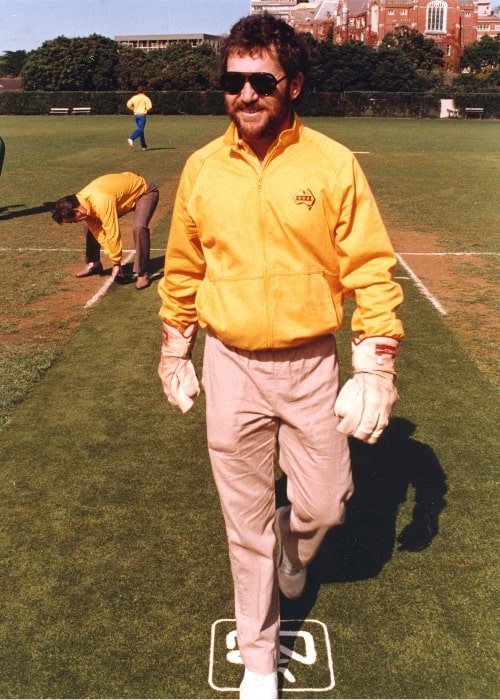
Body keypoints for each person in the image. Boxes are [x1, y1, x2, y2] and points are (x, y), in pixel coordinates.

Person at [157, 14, 404, 699]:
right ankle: (259, 659)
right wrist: (175, 351)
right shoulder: (203, 169)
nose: (245, 95)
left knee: (326, 506)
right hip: (230, 363)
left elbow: (372, 272)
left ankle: (295, 557)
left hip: (310, 364)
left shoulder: (331, 164)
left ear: (291, 83)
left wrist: (376, 364)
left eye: (260, 80)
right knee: (245, 526)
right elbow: (182, 270)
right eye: (233, 82)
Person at [52, 171, 159, 290]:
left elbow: (112, 231)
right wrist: (114, 260)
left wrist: (116, 263)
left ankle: (142, 272)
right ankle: (94, 264)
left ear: (77, 211)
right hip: (121, 202)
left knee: (139, 227)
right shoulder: (82, 205)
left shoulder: (100, 200)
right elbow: (98, 232)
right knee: (89, 228)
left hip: (144, 193)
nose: (75, 222)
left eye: (72, 220)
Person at [126, 85, 152, 151]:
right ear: (144, 91)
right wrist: (145, 109)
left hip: (136, 115)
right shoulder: (145, 98)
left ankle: (144, 146)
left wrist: (133, 108)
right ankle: (131, 138)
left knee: (141, 130)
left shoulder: (134, 97)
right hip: (142, 115)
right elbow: (150, 106)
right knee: (140, 129)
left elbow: (128, 104)